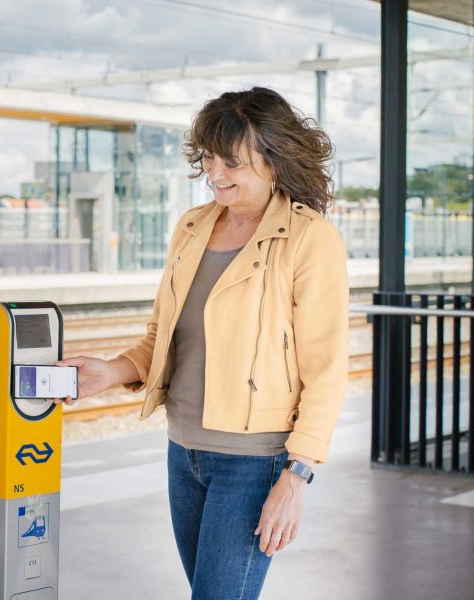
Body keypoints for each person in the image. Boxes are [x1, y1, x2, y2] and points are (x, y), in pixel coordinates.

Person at [56, 87, 349, 600]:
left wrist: (296, 477)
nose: (215, 174)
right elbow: (164, 336)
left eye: (232, 163)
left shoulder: (309, 238)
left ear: (274, 160)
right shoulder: (192, 227)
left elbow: (325, 370)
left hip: (255, 460)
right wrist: (112, 370)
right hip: (183, 451)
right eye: (209, 160)